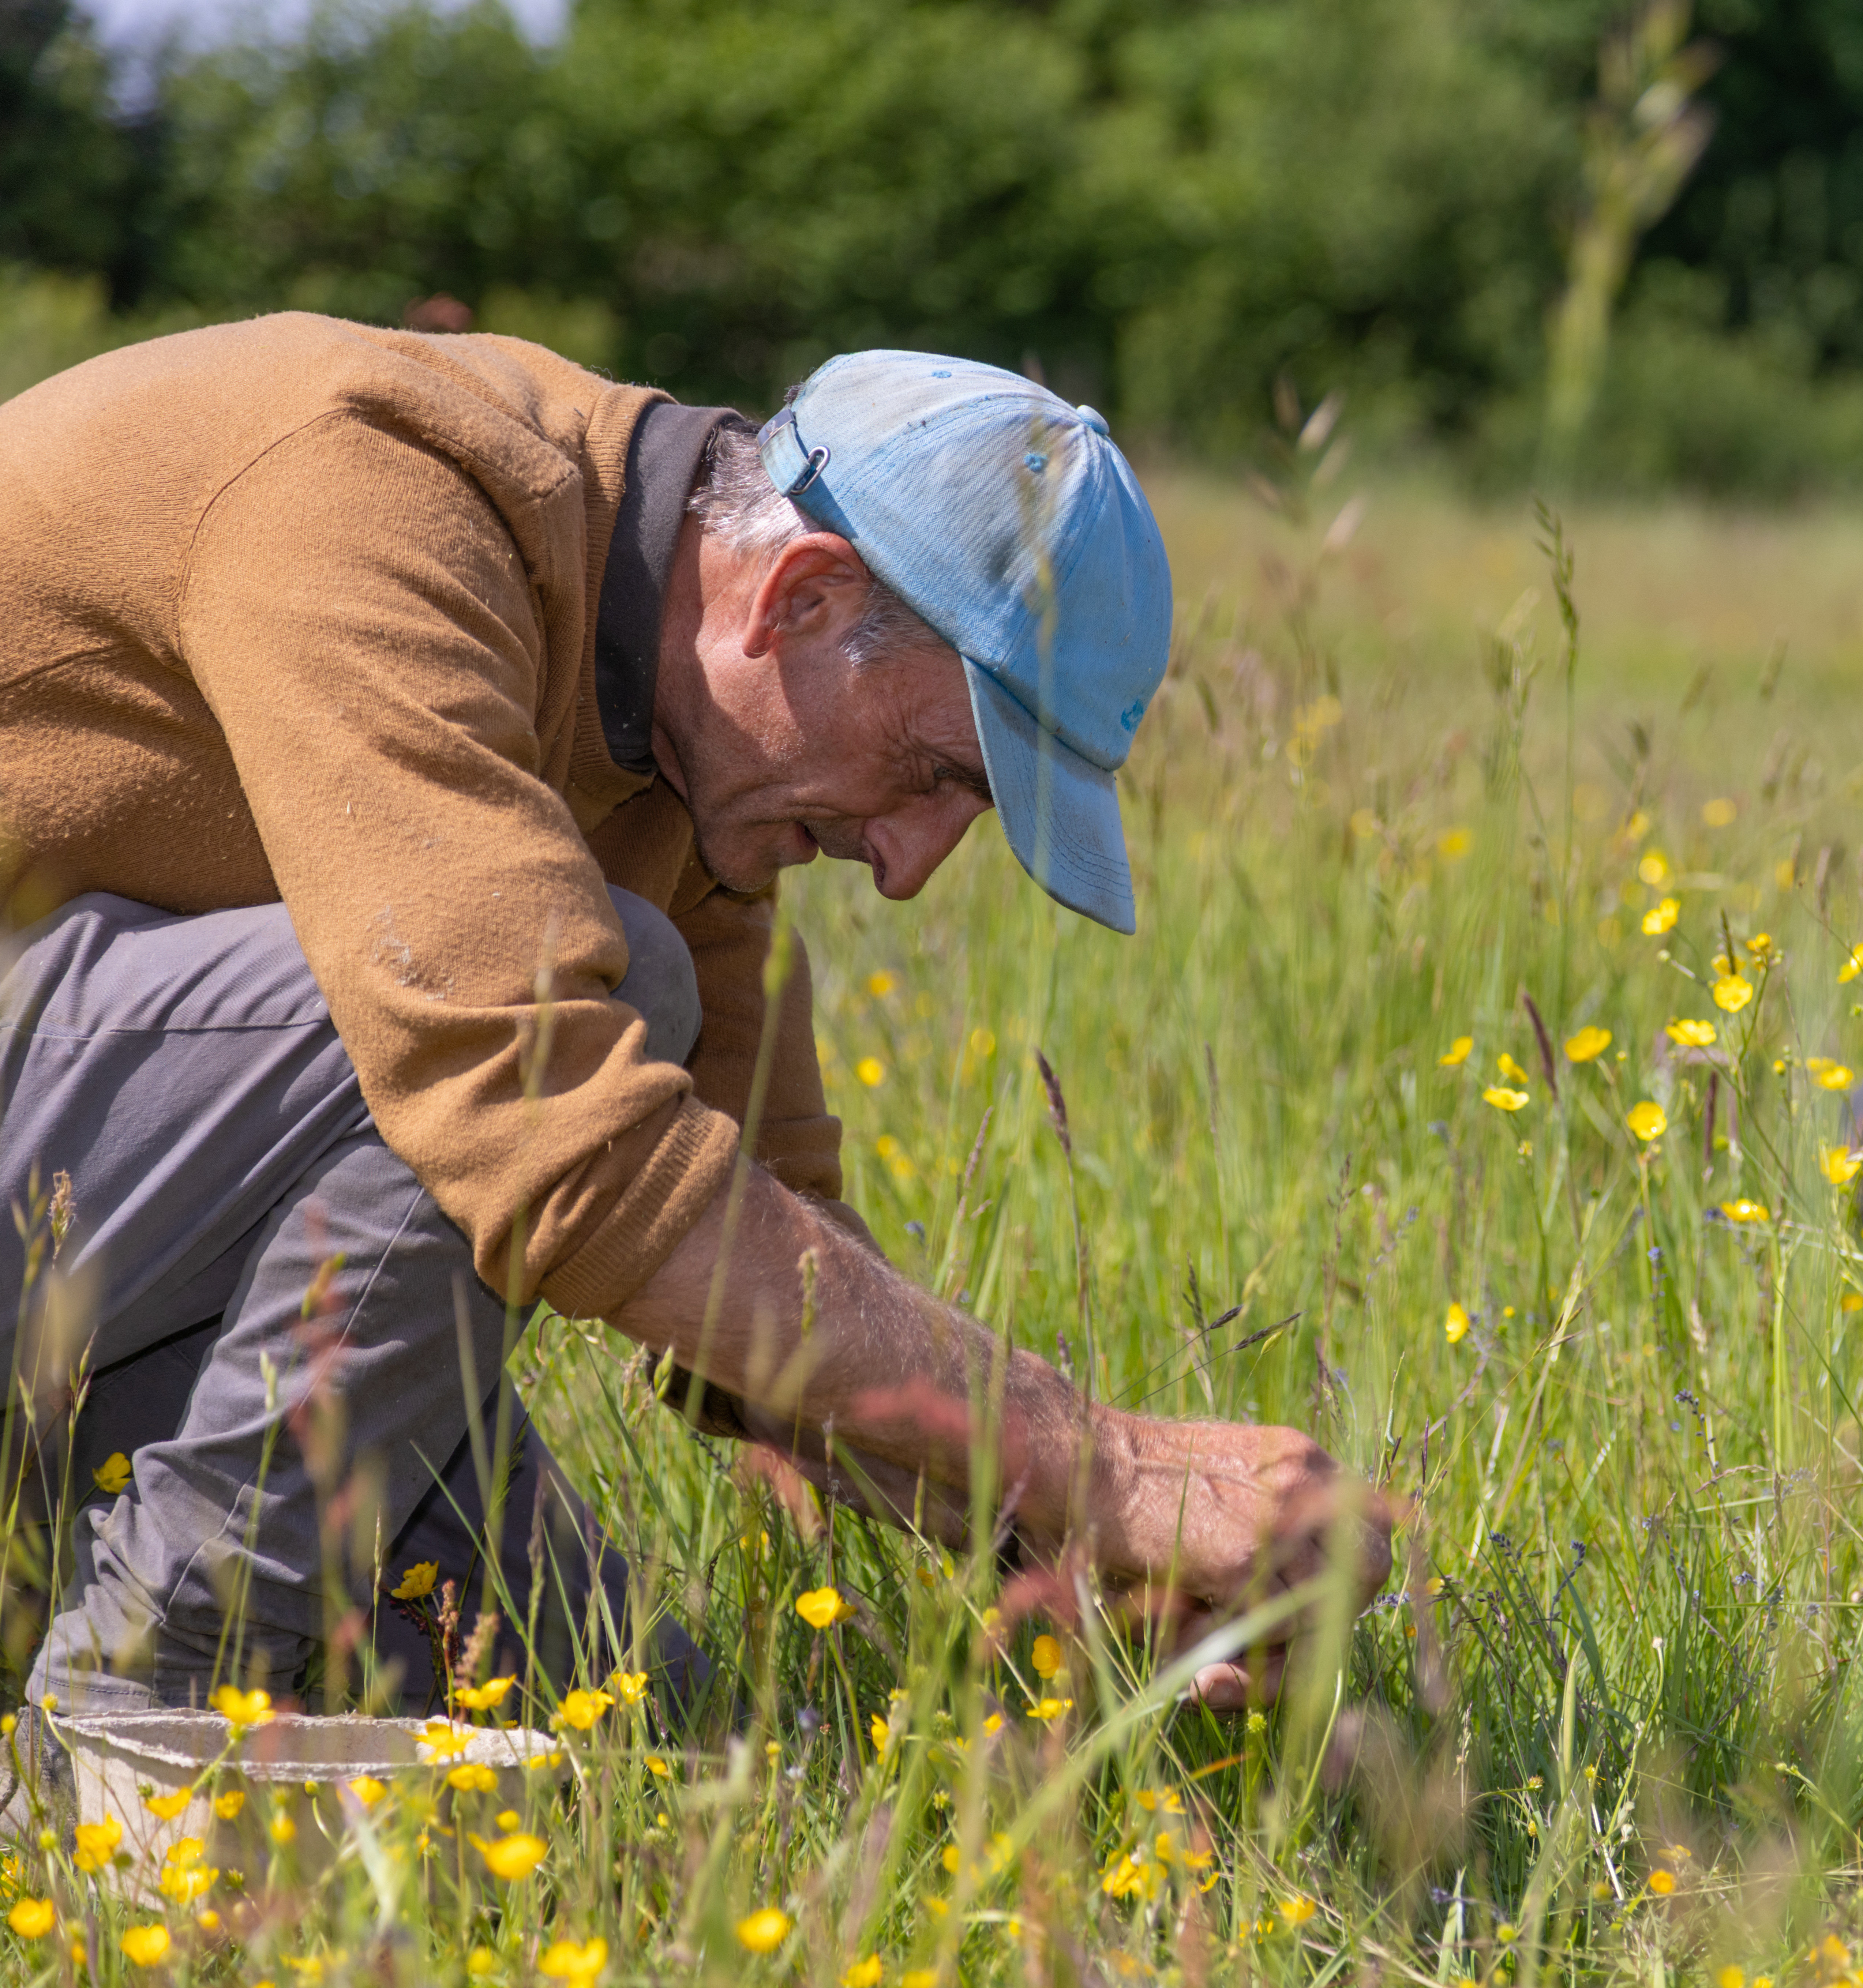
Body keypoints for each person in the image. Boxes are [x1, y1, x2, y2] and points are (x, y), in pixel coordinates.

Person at [0, 316, 1388, 1732]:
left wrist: (1074, 1556)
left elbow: (764, 1276)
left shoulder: (677, 747)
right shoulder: (369, 487)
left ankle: (132, 1635)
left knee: (662, 1731)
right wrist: (1102, 1461)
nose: (907, 868)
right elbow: (532, 1112)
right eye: (929, 773)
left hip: (86, 1241)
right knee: (571, 1014)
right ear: (799, 597)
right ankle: (127, 1717)